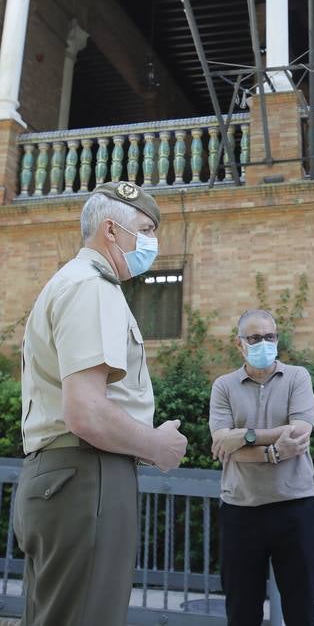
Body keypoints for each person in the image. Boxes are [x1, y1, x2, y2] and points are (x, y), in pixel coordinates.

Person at [14, 181, 188, 626]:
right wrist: (156, 445)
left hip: (63, 476)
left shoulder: (68, 282)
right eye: (146, 230)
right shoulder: (92, 287)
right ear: (111, 231)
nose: (153, 242)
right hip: (87, 475)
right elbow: (86, 411)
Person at [209, 309, 314, 626]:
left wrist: (243, 436)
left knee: (303, 612)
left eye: (270, 337)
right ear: (239, 344)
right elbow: (222, 447)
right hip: (240, 511)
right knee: (242, 613)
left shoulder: (297, 376)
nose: (263, 343)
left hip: (295, 507)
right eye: (254, 338)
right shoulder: (224, 386)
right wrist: (274, 449)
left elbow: (299, 433)